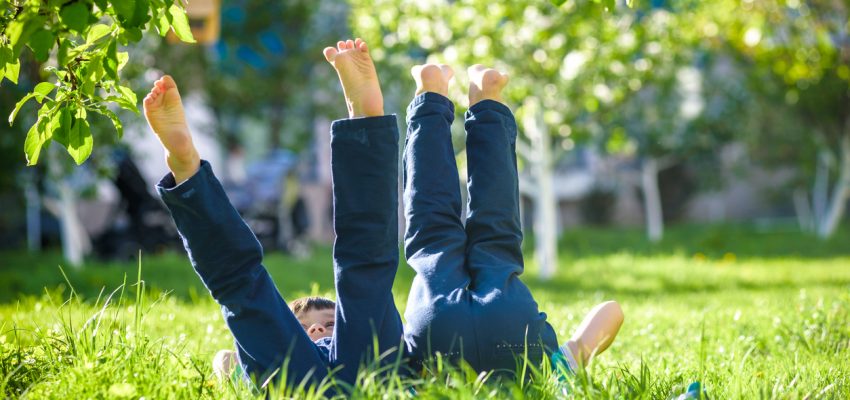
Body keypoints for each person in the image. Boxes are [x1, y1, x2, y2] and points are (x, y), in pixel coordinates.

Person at [143, 38, 624, 391]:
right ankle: (366, 116)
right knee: (359, 273)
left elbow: (229, 359)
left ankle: (189, 166)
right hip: (373, 374)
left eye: (322, 321)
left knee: (251, 293)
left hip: (303, 382)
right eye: (320, 322)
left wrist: (235, 366)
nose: (318, 327)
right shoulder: (387, 353)